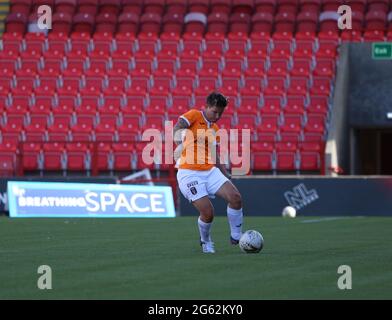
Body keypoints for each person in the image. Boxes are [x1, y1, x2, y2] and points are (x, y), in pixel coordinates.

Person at [173, 92, 244, 253]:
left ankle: (237, 236)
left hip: (210, 171)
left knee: (236, 198)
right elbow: (178, 127)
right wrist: (180, 143)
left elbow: (214, 154)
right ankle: (205, 240)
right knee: (208, 212)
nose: (217, 116)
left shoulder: (215, 128)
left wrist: (226, 173)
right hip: (189, 173)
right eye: (214, 112)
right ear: (206, 107)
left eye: (220, 113)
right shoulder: (194, 115)